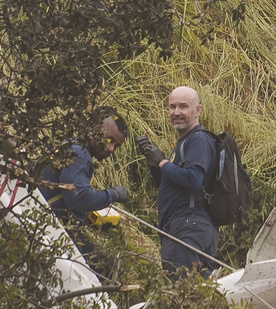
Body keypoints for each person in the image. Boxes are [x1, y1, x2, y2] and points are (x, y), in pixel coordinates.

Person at [136, 86, 217, 276]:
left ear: (198, 110)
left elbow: (193, 178)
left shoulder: (197, 139)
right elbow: (175, 188)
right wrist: (155, 164)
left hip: (187, 228)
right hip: (193, 228)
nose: (176, 112)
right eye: (172, 107)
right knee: (199, 297)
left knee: (180, 294)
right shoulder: (184, 143)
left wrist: (163, 162)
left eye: (183, 106)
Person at [39, 109, 130, 258]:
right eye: (109, 140)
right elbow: (78, 197)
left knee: (101, 260)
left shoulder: (71, 145)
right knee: (103, 267)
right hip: (50, 229)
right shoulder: (79, 154)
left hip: (50, 223)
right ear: (94, 129)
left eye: (116, 146)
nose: (111, 149)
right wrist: (114, 194)